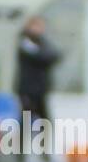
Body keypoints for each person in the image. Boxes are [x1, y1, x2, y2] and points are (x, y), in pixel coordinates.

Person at [15, 15, 62, 145]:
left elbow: (54, 55)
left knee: (44, 122)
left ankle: (44, 152)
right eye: (37, 26)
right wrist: (44, 57)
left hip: (41, 89)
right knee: (25, 120)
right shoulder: (25, 41)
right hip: (27, 89)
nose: (40, 29)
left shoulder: (43, 42)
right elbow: (41, 57)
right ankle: (19, 153)